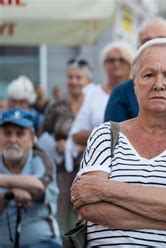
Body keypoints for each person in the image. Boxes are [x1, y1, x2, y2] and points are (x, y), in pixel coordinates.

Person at [70, 38, 166, 247]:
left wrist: (104, 189)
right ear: (134, 83)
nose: (158, 85)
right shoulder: (105, 135)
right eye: (148, 75)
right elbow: (89, 207)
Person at [37, 58, 93, 234]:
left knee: (84, 210)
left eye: (78, 77)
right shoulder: (57, 106)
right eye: (70, 77)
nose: (74, 81)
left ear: (88, 81)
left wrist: (80, 146)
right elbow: (42, 134)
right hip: (60, 168)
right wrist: (56, 143)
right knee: (60, 210)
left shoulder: (93, 104)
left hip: (88, 168)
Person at [0, 108, 60, 247]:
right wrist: (8, 195)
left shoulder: (41, 158)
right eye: (7, 133)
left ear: (32, 139)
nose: (13, 140)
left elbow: (38, 186)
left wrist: (3, 181)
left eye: (20, 134)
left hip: (42, 241)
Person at [70, 41, 134, 147]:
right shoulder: (92, 94)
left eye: (122, 60)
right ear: (104, 64)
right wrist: (105, 136)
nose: (116, 64)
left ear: (131, 64)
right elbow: (76, 135)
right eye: (111, 60)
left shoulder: (139, 93)